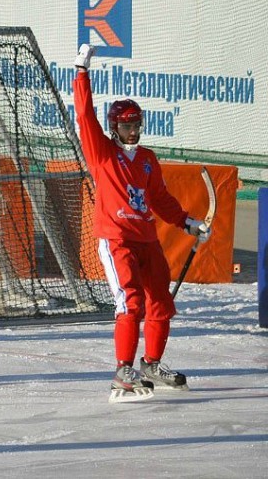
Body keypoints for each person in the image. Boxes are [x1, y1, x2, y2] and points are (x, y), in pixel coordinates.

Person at [72, 44, 211, 402]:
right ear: (114, 127)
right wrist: (81, 72)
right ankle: (123, 371)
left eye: (136, 125)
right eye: (126, 125)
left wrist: (187, 222)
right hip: (117, 239)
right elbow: (84, 116)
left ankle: (151, 363)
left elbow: (160, 199)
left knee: (161, 303)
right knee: (130, 303)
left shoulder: (147, 159)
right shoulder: (103, 153)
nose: (133, 131)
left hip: (147, 239)